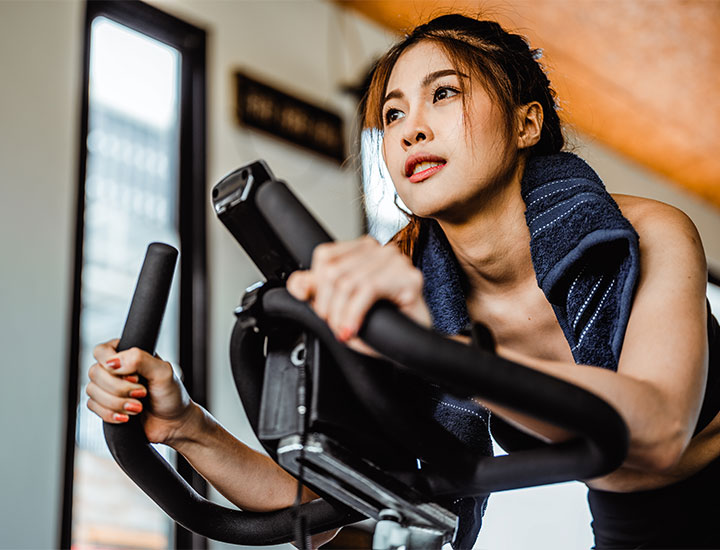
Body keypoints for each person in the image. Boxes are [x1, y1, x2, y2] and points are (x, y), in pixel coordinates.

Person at [86, 14, 720, 550]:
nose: (410, 127)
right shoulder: (409, 286)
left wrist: (439, 354)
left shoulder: (644, 232)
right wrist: (186, 426)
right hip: (635, 524)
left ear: (527, 124)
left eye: (444, 94)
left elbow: (660, 432)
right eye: (392, 114)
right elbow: (322, 502)